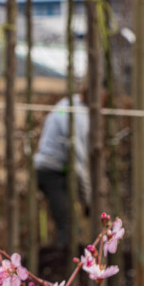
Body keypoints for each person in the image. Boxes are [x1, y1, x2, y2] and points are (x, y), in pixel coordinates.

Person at [34, 92, 90, 250]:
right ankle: (65, 263)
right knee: (68, 226)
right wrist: (88, 199)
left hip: (54, 170)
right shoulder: (77, 117)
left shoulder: (67, 103)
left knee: (69, 222)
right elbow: (79, 162)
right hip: (51, 171)